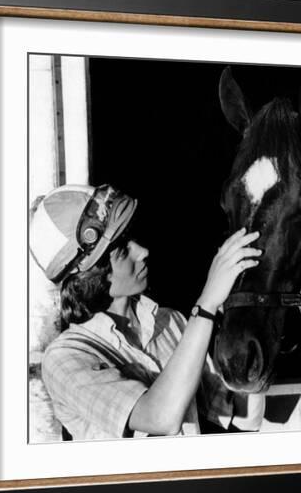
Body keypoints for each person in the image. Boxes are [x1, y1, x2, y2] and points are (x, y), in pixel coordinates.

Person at [30, 183, 266, 440]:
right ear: (89, 273)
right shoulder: (65, 358)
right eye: (122, 249)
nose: (143, 252)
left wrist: (246, 313)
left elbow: (244, 416)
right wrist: (206, 305)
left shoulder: (171, 322)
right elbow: (160, 418)